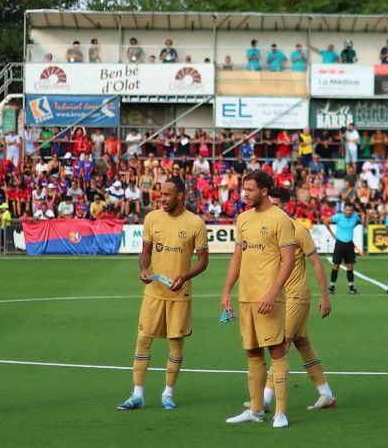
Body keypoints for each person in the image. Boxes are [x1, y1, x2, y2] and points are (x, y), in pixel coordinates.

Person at [116, 178, 209, 411]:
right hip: (154, 293)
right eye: (161, 194)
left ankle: (168, 393)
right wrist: (143, 270)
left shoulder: (195, 223)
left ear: (180, 196)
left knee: (175, 346)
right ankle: (137, 395)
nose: (162, 198)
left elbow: (203, 261)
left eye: (168, 194)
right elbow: (145, 252)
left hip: (179, 294)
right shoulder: (152, 218)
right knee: (143, 340)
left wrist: (185, 277)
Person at [222, 170, 297, 429]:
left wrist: (273, 292)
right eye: (244, 189)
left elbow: (288, 261)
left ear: (264, 191)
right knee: (252, 352)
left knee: (277, 351)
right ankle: (255, 410)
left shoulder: (280, 219)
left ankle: (280, 412)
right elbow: (237, 257)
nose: (245, 194)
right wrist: (226, 291)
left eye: (250, 189)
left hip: (270, 298)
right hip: (246, 296)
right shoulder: (242, 219)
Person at [251, 187, 336, 411]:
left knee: (280, 345)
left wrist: (325, 296)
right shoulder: (271, 229)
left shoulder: (298, 230)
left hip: (297, 295)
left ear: (287, 206)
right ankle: (326, 394)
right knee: (302, 343)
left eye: (276, 205)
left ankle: (265, 401)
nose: (272, 209)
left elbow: (317, 263)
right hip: (283, 297)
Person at [328, 203, 361, 294]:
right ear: (344, 210)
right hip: (340, 243)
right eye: (347, 210)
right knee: (336, 265)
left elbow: (361, 220)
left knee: (350, 266)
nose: (349, 212)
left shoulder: (355, 217)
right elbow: (326, 221)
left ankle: (351, 287)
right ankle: (332, 287)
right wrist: (331, 233)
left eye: (350, 210)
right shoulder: (338, 217)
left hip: (349, 244)